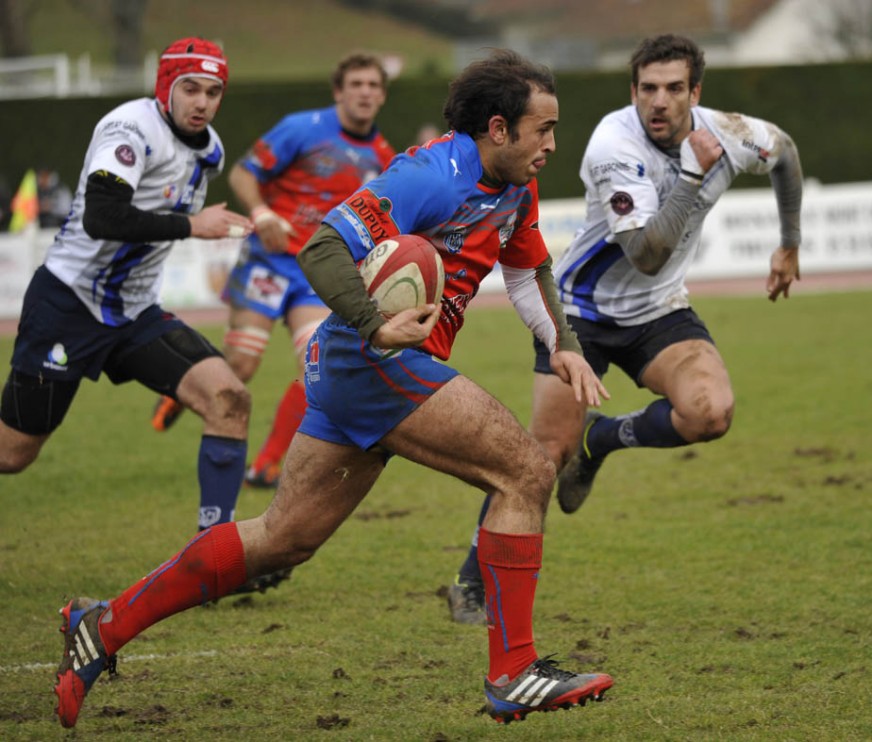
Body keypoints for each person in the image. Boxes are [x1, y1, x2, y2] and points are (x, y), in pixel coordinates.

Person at [52, 49, 614, 729]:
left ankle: (101, 626)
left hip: (359, 368)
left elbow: (529, 273)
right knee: (525, 472)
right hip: (372, 360)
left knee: (283, 538)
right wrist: (377, 325)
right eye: (543, 130)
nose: (553, 144)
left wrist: (563, 347)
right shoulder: (430, 176)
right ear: (499, 128)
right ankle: (514, 672)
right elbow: (321, 247)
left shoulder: (515, 188)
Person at [445, 33, 803, 624]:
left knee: (710, 413)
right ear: (632, 90)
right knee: (541, 459)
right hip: (582, 312)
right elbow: (645, 253)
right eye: (647, 89)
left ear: (696, 92)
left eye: (672, 89)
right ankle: (471, 579)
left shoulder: (729, 134)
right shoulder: (614, 144)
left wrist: (789, 244)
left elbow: (785, 152)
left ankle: (601, 439)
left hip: (659, 312)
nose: (658, 102)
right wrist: (690, 178)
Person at [0, 38, 255, 540]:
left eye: (213, 91)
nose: (202, 102)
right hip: (67, 305)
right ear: (166, 87)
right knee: (12, 454)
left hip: (134, 314)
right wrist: (191, 225)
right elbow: (101, 216)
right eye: (190, 88)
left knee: (229, 398)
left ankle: (214, 553)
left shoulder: (213, 151)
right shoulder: (130, 128)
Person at [151, 54, 396, 493]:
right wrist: (262, 213)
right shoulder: (301, 128)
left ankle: (266, 464)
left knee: (317, 368)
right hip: (269, 260)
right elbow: (245, 173)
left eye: (373, 85)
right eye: (356, 83)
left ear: (382, 94)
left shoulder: (383, 157)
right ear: (339, 91)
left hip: (317, 274)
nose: (364, 92)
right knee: (242, 364)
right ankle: (179, 390)